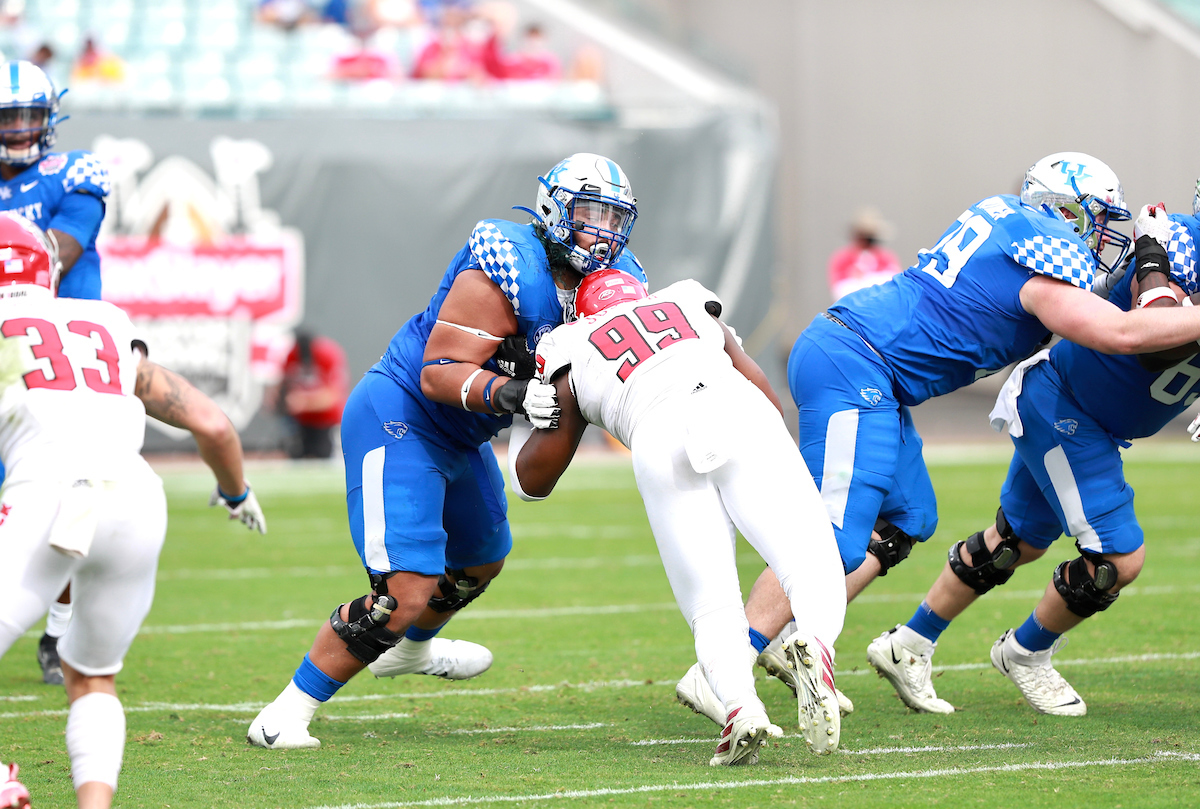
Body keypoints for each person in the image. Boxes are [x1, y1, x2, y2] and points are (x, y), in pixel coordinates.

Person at [698, 152, 1200, 711]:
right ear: (1068, 215)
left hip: (871, 371)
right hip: (856, 365)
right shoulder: (1042, 275)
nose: (1108, 243)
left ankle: (815, 642)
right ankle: (723, 667)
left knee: (909, 517)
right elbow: (1129, 334)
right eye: (1100, 225)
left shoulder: (1017, 229)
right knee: (833, 538)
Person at [246, 153, 644, 749]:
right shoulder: (505, 265)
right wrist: (513, 393)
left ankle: (411, 653)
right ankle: (286, 712)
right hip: (404, 415)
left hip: (465, 431)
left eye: (614, 219)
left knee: (482, 558)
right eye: (588, 213)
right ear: (554, 210)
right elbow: (439, 373)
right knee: (403, 591)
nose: (602, 232)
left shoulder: (613, 282)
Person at [0, 213, 265, 809]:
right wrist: (235, 492)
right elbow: (213, 425)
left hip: (53, 492)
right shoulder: (109, 324)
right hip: (137, 499)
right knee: (92, 677)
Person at [871, 203, 1200, 715]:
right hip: (1066, 403)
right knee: (1116, 559)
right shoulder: (1177, 240)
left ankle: (909, 642)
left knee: (1014, 543)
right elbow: (1157, 341)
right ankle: (1027, 651)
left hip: (1094, 417)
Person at [510, 271, 847, 762]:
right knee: (809, 559)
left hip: (655, 436)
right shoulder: (688, 298)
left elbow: (531, 482)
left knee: (710, 604)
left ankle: (740, 707)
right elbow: (757, 384)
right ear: (643, 295)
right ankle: (815, 644)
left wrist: (530, 407)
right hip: (731, 402)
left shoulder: (570, 342)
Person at [0, 60, 113, 685]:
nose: (19, 130)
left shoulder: (74, 172)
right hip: (3, 359)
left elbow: (56, 258)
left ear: (50, 117)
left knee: (68, 502)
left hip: (64, 358)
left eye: (29, 117)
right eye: (8, 117)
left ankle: (58, 633)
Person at [278, 330, 350, 459]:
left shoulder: (328, 354)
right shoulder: (293, 355)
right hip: (301, 423)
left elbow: (333, 395)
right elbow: (283, 385)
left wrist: (303, 402)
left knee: (325, 460)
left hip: (327, 422)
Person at [826, 207, 901, 302]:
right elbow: (839, 290)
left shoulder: (885, 257)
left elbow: (892, 285)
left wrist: (867, 278)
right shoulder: (842, 258)